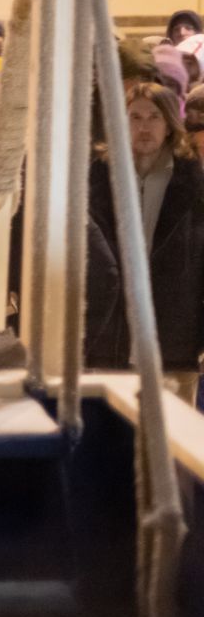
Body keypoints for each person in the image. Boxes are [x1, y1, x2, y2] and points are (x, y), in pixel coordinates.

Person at [83, 83, 204, 396]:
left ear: (169, 125)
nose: (144, 126)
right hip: (110, 337)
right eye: (135, 117)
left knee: (174, 440)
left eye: (154, 117)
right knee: (114, 436)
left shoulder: (194, 180)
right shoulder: (96, 177)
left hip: (174, 337)